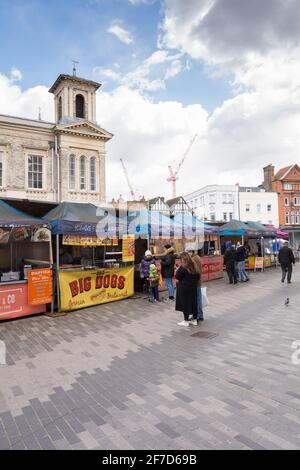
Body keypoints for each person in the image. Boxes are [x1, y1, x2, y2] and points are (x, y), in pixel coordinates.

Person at [175, 252, 200, 327]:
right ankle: (194, 320)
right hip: (193, 287)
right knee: (193, 303)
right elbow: (198, 276)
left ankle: (186, 321)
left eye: (180, 259)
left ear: (183, 259)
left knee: (185, 304)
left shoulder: (183, 267)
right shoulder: (194, 265)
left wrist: (178, 269)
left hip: (184, 288)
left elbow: (177, 276)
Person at [189, 251, 204, 323]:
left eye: (189, 252)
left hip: (195, 282)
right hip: (198, 281)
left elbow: (194, 271)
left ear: (192, 252)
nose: (188, 254)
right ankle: (200, 315)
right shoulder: (198, 257)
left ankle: (197, 316)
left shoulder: (193, 259)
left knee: (196, 300)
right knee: (199, 299)